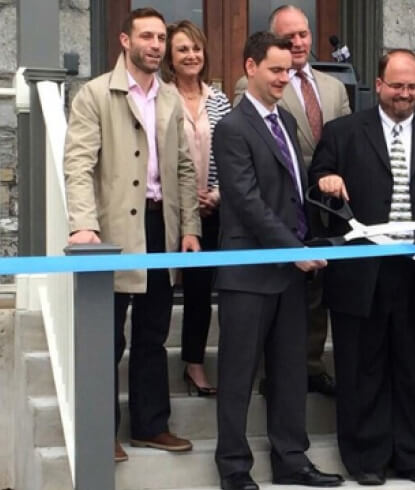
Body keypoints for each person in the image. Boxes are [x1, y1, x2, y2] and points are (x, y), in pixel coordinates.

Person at [309, 49, 415, 486]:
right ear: (377, 85)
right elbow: (316, 184)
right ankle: (366, 460)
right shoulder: (342, 134)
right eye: (396, 86)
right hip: (360, 272)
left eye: (412, 86)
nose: (405, 94)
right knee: (362, 367)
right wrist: (327, 182)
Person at [63, 7, 201, 463]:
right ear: (125, 41)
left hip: (161, 226)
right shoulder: (95, 94)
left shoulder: (168, 98)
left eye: (161, 37)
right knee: (109, 336)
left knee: (153, 333)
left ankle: (151, 425)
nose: (156, 45)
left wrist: (189, 228)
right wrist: (84, 224)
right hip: (114, 230)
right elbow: (78, 164)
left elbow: (183, 167)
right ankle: (101, 432)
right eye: (147, 36)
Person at [212, 31, 343, 490]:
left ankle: (292, 461)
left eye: (288, 70)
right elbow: (246, 201)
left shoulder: (286, 123)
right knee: (238, 375)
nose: (283, 78)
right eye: (274, 70)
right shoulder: (231, 128)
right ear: (250, 68)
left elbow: (294, 194)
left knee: (289, 374)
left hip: (291, 273)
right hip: (248, 273)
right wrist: (294, 248)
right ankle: (233, 469)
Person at [233, 5, 351, 396]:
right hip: (278, 205)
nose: (298, 43)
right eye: (288, 38)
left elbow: (344, 140)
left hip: (324, 205)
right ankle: (277, 372)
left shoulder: (333, 86)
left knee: (317, 289)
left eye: (303, 34)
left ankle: (311, 365)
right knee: (280, 293)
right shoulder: (248, 85)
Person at [160, 19, 231, 397]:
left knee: (208, 288)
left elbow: (233, 152)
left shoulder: (219, 99)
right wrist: (188, 200)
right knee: (177, 290)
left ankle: (199, 363)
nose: (191, 55)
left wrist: (218, 193)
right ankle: (181, 364)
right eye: (183, 49)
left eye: (196, 48)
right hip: (175, 209)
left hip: (216, 207)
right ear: (171, 56)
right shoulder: (160, 96)